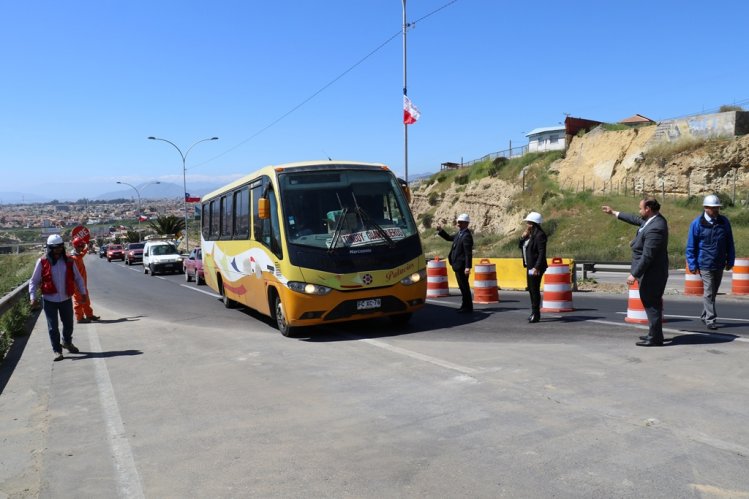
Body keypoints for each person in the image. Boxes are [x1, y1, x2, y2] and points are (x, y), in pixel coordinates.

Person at [602, 198, 669, 347]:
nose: (639, 211)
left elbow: (648, 256)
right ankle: (654, 333)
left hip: (653, 273)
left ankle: (656, 338)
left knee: (652, 304)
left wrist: (635, 274)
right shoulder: (651, 221)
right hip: (649, 272)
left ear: (648, 209)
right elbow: (635, 219)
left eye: (640, 208)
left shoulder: (656, 227)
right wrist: (614, 213)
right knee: (650, 303)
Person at [29, 234, 88, 361]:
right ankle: (57, 350)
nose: (58, 250)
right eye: (55, 248)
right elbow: (33, 281)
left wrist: (83, 293)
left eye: (60, 247)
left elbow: (78, 278)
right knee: (53, 327)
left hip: (66, 299)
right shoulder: (42, 261)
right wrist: (32, 297)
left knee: (69, 325)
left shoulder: (69, 261)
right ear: (49, 248)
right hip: (49, 300)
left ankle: (67, 342)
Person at [685, 194, 735, 330]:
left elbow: (730, 242)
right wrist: (692, 264)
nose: (717, 211)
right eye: (714, 208)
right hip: (704, 263)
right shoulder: (697, 224)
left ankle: (704, 315)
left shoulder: (724, 222)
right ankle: (710, 319)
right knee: (708, 291)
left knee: (713, 292)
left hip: (719, 263)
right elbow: (691, 246)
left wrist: (730, 259)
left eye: (718, 208)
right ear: (706, 208)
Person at [437, 213, 474, 313]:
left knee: (464, 287)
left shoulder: (466, 236)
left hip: (462, 266)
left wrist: (467, 267)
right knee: (462, 287)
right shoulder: (460, 233)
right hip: (457, 265)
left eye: (460, 223)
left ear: (466, 224)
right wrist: (441, 231)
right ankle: (464, 305)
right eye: (458, 222)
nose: (458, 224)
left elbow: (468, 253)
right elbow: (449, 237)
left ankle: (468, 307)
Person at [519, 212, 548, 323]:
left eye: (529, 223)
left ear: (534, 223)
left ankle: (536, 314)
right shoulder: (530, 235)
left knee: (534, 290)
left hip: (536, 267)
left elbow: (542, 253)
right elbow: (520, 246)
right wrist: (523, 237)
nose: (527, 224)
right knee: (531, 289)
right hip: (530, 266)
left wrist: (536, 267)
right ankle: (534, 312)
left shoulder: (540, 235)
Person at [70, 236, 101, 324]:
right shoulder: (73, 258)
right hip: (77, 285)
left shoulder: (78, 255)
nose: (82, 248)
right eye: (81, 246)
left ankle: (89, 315)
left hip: (82, 284)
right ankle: (79, 318)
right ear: (77, 246)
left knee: (86, 300)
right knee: (78, 301)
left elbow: (84, 251)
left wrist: (87, 244)